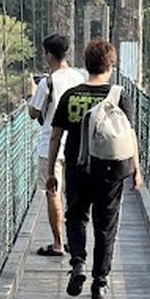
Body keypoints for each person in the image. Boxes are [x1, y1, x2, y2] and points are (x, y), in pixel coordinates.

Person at [46, 39, 143, 299]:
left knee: (76, 216)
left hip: (78, 167)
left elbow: (55, 137)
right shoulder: (120, 96)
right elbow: (130, 134)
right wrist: (136, 169)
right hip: (111, 169)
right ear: (110, 65)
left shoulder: (71, 95)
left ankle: (77, 263)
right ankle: (99, 282)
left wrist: (51, 171)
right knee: (105, 225)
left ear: (86, 65)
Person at [27, 34, 87, 257]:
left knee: (53, 194)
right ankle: (75, 242)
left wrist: (30, 93)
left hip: (49, 147)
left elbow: (33, 114)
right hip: (78, 146)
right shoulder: (81, 78)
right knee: (74, 197)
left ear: (49, 55)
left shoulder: (47, 82)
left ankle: (58, 244)